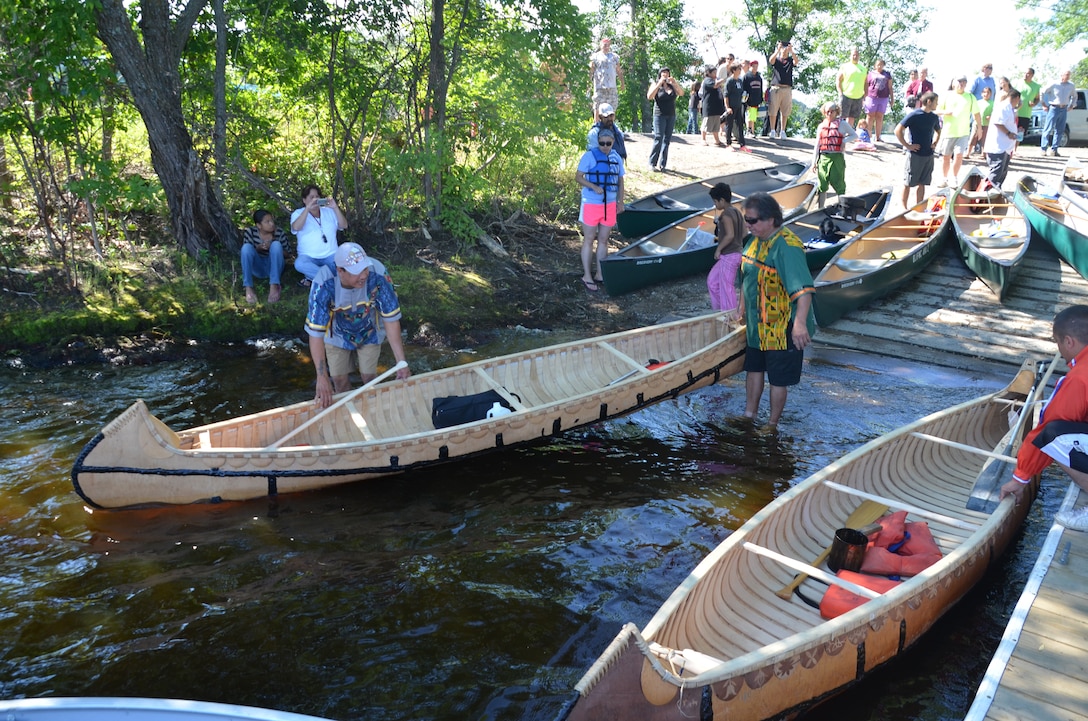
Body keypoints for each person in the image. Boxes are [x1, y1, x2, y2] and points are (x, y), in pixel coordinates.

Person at [1000, 305, 1088, 531]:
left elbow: (1049, 428)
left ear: (1069, 342)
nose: (1059, 349)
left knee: (1052, 436)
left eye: (1058, 342)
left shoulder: (1079, 377)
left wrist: (1020, 477)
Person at [737, 192, 816, 428]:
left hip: (781, 325)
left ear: (771, 219)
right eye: (747, 220)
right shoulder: (754, 240)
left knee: (778, 379)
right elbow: (746, 275)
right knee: (754, 368)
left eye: (753, 221)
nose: (749, 226)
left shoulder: (787, 246)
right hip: (757, 323)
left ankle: (771, 424)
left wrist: (800, 324)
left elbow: (803, 289)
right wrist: (741, 307)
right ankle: (749, 415)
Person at [305, 242, 411, 408]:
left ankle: (372, 411)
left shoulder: (378, 274)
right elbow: (316, 333)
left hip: (370, 331)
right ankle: (349, 415)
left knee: (369, 378)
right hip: (337, 334)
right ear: (340, 271)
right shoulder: (323, 283)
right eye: (357, 272)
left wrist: (401, 362)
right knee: (339, 381)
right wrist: (321, 376)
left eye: (365, 269)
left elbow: (390, 319)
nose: (363, 275)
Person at [575, 128, 625, 292]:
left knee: (603, 240)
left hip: (609, 205)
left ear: (612, 143)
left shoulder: (616, 157)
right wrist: (593, 186)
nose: (605, 146)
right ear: (598, 142)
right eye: (602, 143)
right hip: (591, 203)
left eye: (608, 143)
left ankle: (600, 274)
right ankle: (587, 275)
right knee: (589, 239)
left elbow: (620, 180)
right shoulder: (589, 156)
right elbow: (578, 177)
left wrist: (620, 201)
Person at [290, 184, 346, 286]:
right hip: (309, 257)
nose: (315, 199)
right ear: (304, 200)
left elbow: (344, 225)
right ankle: (331, 279)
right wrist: (307, 209)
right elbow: (296, 227)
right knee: (300, 264)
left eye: (317, 196)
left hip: (331, 255)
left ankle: (315, 278)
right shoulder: (298, 214)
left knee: (345, 261)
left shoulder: (329, 211)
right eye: (311, 197)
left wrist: (335, 208)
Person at [895, 91, 942, 207]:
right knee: (908, 182)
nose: (937, 104)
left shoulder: (934, 117)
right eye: (936, 102)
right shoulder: (914, 114)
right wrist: (907, 145)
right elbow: (898, 130)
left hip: (928, 155)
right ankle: (903, 208)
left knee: (923, 183)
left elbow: (938, 131)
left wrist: (935, 142)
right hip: (915, 154)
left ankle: (918, 207)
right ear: (929, 101)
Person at [935, 75, 981, 188]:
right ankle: (944, 178)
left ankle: (954, 177)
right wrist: (946, 112)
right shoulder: (946, 95)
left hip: (963, 132)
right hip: (948, 132)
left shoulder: (970, 97)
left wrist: (979, 128)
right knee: (946, 156)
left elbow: (976, 113)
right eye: (959, 81)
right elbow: (937, 110)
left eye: (964, 81)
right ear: (954, 82)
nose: (961, 84)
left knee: (959, 155)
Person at [706, 182, 744, 317]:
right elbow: (743, 232)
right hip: (736, 253)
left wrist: (718, 249)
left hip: (730, 255)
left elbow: (730, 235)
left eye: (715, 201)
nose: (715, 205)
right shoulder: (737, 212)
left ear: (721, 200)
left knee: (726, 286)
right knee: (712, 281)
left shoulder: (726, 215)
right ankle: (720, 311)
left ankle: (731, 316)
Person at [812, 101, 859, 208]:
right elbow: (817, 145)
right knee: (822, 184)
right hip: (823, 158)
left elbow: (854, 135)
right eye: (827, 111)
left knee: (839, 184)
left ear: (836, 112)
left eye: (832, 111)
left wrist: (844, 141)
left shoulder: (842, 124)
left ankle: (841, 207)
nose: (829, 114)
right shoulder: (821, 126)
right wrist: (813, 162)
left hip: (837, 157)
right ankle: (821, 208)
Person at [240, 209, 287, 304]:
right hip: (258, 266)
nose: (271, 224)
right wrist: (257, 249)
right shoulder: (251, 232)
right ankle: (248, 287)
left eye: (272, 220)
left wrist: (272, 247)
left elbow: (288, 254)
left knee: (277, 245)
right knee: (246, 248)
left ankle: (274, 285)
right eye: (267, 222)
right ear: (259, 225)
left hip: (274, 266)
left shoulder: (279, 232)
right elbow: (247, 253)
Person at [983, 88, 1021, 187]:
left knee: (1002, 173)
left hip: (1005, 147)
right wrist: (1009, 133)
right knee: (995, 174)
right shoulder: (1003, 107)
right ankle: (986, 195)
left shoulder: (1009, 108)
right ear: (1016, 98)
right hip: (998, 147)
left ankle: (995, 193)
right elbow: (998, 122)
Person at [647, 68, 683, 171]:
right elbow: (649, 96)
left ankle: (663, 164)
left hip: (671, 115)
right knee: (658, 137)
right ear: (659, 75)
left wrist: (675, 83)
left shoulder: (672, 85)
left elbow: (681, 93)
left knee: (666, 140)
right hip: (659, 115)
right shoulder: (655, 84)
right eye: (663, 74)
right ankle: (652, 163)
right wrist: (659, 84)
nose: (665, 76)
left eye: (667, 74)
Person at [1040, 69, 1077, 157]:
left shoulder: (1071, 85)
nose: (1067, 76)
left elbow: (1074, 96)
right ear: (1061, 75)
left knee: (1060, 129)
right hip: (1053, 108)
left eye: (1069, 75)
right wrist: (1043, 104)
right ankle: (1043, 149)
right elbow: (1042, 91)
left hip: (1064, 108)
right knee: (1048, 128)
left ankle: (1054, 149)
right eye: (1066, 74)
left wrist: (1072, 105)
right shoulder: (1054, 84)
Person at [767, 40, 798, 139]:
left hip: (787, 88)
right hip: (776, 87)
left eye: (786, 48)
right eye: (783, 48)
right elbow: (771, 61)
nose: (784, 50)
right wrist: (778, 50)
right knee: (773, 109)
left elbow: (796, 62)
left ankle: (783, 131)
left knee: (785, 111)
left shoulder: (789, 60)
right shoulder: (777, 59)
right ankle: (772, 130)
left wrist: (791, 51)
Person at [589, 37, 623, 122]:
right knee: (597, 107)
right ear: (601, 46)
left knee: (612, 107)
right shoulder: (595, 57)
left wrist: (622, 82)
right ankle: (596, 126)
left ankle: (611, 127)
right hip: (599, 86)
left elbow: (618, 70)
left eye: (608, 45)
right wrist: (588, 83)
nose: (606, 47)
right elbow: (591, 70)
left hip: (611, 86)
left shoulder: (614, 57)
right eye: (604, 45)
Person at [863, 58, 893, 144]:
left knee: (880, 116)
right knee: (870, 116)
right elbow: (866, 85)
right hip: (871, 97)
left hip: (883, 97)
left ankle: (878, 137)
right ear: (875, 66)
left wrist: (892, 99)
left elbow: (890, 87)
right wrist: (864, 96)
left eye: (881, 64)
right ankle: (867, 136)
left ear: (883, 65)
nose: (879, 66)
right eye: (877, 64)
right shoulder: (870, 74)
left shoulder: (887, 74)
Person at [837, 48, 867, 128]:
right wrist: (840, 93)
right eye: (853, 55)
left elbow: (865, 83)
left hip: (858, 96)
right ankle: (839, 134)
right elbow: (838, 80)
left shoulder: (863, 69)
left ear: (859, 56)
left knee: (852, 116)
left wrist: (865, 95)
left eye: (857, 55)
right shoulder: (845, 66)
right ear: (850, 56)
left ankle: (848, 133)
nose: (855, 57)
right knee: (842, 116)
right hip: (846, 95)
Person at [1014, 68, 1042, 153]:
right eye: (1024, 73)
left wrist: (1034, 103)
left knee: (1020, 132)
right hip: (1015, 112)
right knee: (1012, 131)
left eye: (1028, 74)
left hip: (1026, 113)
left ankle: (1015, 150)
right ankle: (1008, 150)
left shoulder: (1036, 86)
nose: (1025, 75)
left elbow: (1037, 98)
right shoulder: (1016, 83)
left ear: (1032, 75)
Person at [723, 63, 749, 151]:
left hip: (739, 106)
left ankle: (742, 144)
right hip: (731, 107)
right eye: (738, 69)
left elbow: (741, 92)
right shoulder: (729, 81)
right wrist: (727, 107)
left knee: (740, 125)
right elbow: (726, 95)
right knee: (729, 125)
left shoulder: (740, 81)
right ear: (734, 70)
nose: (740, 71)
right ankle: (728, 144)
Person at [700, 65, 726, 147]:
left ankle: (717, 140)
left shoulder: (714, 80)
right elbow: (715, 85)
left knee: (716, 124)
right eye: (714, 72)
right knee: (706, 123)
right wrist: (722, 79)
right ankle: (703, 139)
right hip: (709, 106)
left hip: (716, 106)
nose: (715, 74)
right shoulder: (707, 80)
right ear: (709, 73)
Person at [969, 86, 994, 158]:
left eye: (988, 93)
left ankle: (983, 154)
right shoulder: (978, 102)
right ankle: (968, 152)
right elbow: (974, 111)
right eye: (984, 92)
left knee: (984, 140)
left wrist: (990, 117)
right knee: (973, 138)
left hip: (987, 124)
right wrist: (975, 118)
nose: (986, 94)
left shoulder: (992, 103)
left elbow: (994, 113)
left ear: (991, 94)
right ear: (981, 93)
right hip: (977, 123)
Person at [742, 60, 764, 136]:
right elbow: (743, 88)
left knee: (753, 116)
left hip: (756, 99)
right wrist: (744, 99)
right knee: (749, 115)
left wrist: (761, 98)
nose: (755, 68)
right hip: (748, 99)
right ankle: (749, 130)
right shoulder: (746, 76)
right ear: (750, 66)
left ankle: (752, 131)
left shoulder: (759, 77)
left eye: (756, 66)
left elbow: (761, 88)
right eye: (753, 66)